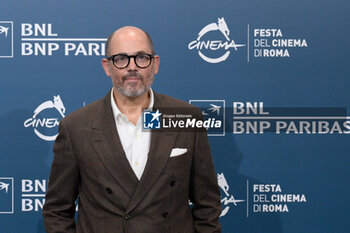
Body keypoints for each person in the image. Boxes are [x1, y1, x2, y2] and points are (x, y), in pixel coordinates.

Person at [42, 26, 222, 233]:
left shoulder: (186, 118)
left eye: (141, 57)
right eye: (121, 59)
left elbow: (207, 205)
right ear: (107, 66)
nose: (132, 67)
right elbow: (57, 211)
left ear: (155, 64)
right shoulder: (76, 128)